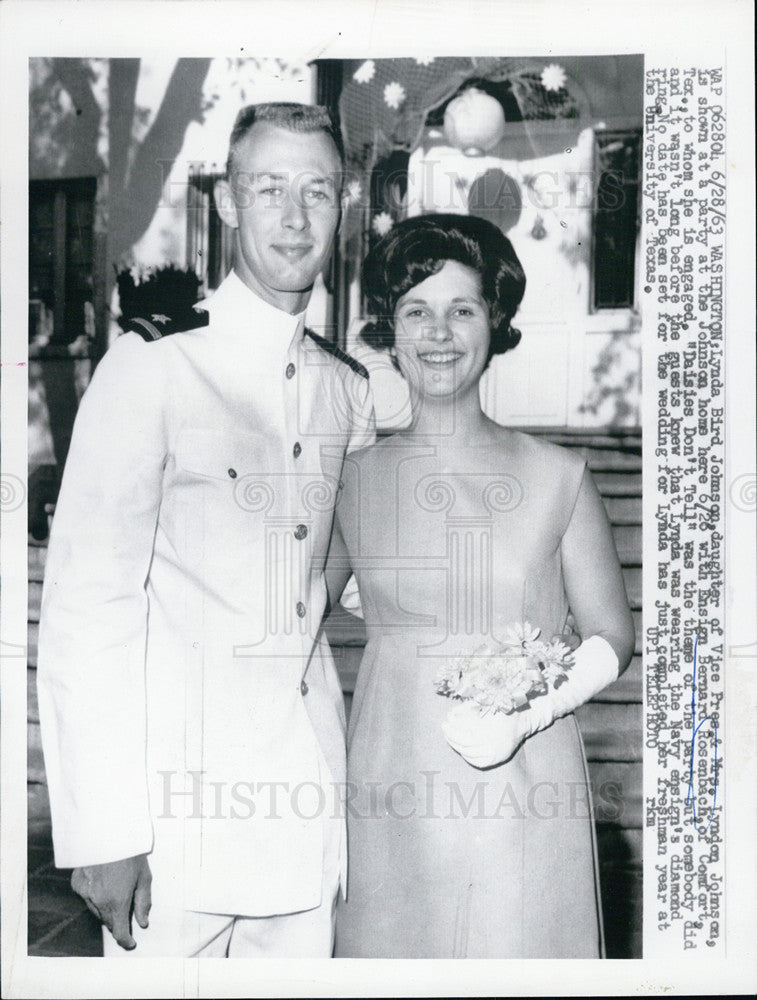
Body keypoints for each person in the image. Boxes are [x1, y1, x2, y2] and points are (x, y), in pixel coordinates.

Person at [37, 102, 375, 958]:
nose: (296, 218)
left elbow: (345, 570)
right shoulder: (155, 364)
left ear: (346, 205)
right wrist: (103, 831)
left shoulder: (345, 388)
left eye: (318, 191)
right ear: (226, 204)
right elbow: (88, 608)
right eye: (269, 189)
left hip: (304, 819)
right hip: (172, 834)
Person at [329, 213, 635, 958]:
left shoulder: (555, 474)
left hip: (523, 778)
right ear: (388, 330)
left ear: (494, 324)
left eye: (461, 309)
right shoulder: (349, 478)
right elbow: (297, 608)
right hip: (391, 772)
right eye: (416, 311)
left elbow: (610, 634)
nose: (439, 333)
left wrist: (529, 717)